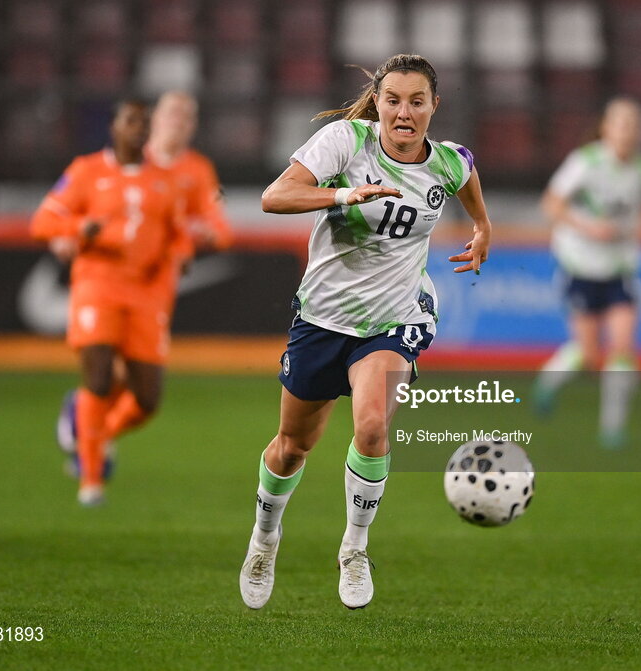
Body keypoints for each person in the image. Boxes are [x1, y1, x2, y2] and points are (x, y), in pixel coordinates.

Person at [238, 54, 492, 611]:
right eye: (394, 100)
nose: (404, 113)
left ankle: (354, 548)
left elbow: (467, 178)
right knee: (292, 447)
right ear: (377, 101)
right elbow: (273, 197)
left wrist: (481, 228)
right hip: (323, 320)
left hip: (394, 319)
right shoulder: (345, 143)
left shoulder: (448, 162)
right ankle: (265, 538)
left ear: (434, 107)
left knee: (372, 426)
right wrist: (340, 195)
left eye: (417, 102)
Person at [53, 91, 233, 477]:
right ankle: (91, 443)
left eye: (188, 115)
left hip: (157, 285)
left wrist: (198, 229)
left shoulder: (197, 171)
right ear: (155, 119)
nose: (179, 121)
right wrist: (66, 235)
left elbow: (217, 229)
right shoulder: (125, 160)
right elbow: (77, 204)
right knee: (115, 370)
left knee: (135, 385)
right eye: (173, 112)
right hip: (110, 280)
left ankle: (92, 435)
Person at [31, 99, 192, 506]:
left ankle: (90, 434)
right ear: (114, 128)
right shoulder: (86, 172)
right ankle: (90, 478)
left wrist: (182, 252)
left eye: (144, 124)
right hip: (97, 286)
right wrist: (78, 227)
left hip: (145, 294)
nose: (139, 130)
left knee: (146, 400)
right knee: (99, 378)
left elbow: (178, 231)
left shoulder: (165, 180)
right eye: (131, 122)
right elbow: (43, 222)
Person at [532, 98, 641, 449]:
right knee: (589, 355)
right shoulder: (586, 162)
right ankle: (548, 381)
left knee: (622, 347)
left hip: (620, 266)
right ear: (607, 128)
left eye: (635, 126)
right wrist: (589, 227)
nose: (629, 132)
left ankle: (612, 428)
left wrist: (637, 229)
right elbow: (551, 203)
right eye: (622, 125)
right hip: (579, 263)